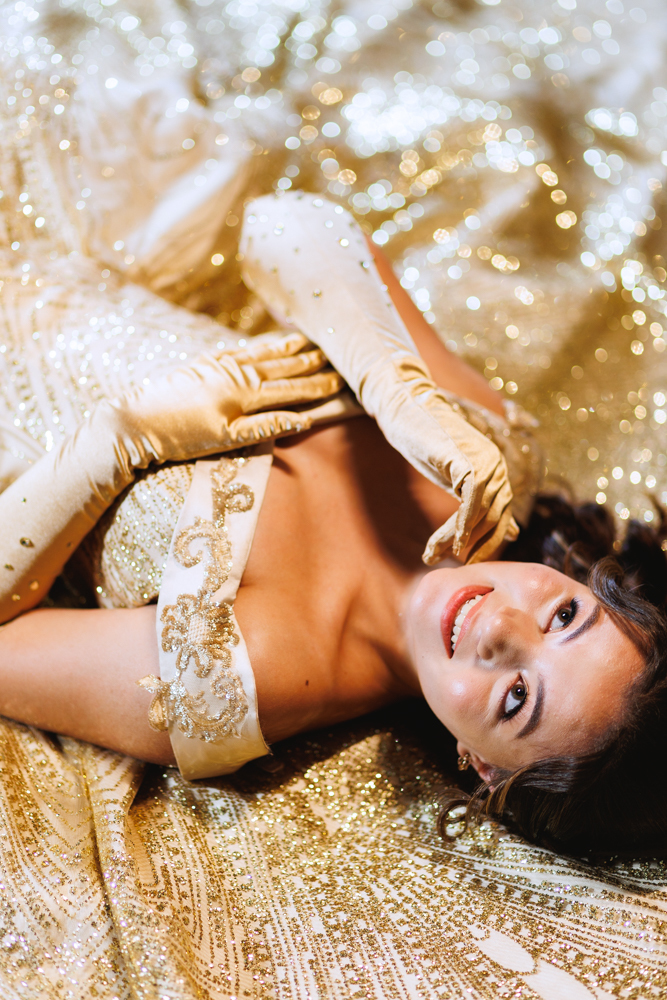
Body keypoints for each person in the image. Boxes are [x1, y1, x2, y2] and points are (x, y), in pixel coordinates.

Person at [0, 191, 665, 861]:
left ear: (484, 767)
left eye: (517, 698)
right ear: (588, 582)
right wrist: (392, 386)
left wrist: (109, 450)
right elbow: (272, 222)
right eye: (564, 617)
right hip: (34, 246)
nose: (501, 627)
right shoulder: (481, 450)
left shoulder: (223, 683)